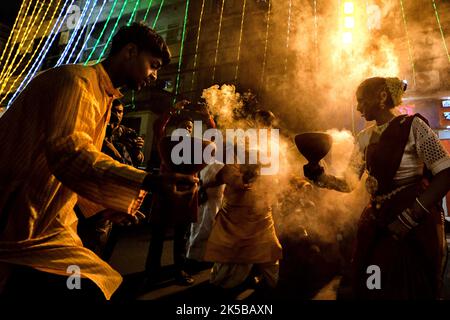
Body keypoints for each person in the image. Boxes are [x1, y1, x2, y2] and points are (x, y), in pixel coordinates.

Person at [0, 23, 198, 300]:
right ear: (130, 51)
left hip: (47, 223)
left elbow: (79, 164)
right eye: (152, 65)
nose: (154, 76)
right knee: (90, 285)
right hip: (16, 217)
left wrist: (107, 205)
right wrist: (150, 181)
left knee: (93, 282)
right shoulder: (77, 82)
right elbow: (70, 153)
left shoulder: (100, 94)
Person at [304, 77, 450, 299]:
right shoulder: (364, 138)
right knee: (374, 284)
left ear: (381, 97)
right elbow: (348, 183)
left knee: (410, 287)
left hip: (410, 225)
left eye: (362, 101)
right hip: (378, 223)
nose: (358, 107)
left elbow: (446, 173)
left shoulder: (413, 127)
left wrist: (409, 217)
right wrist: (318, 174)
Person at [76, 99, 145, 261]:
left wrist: (137, 151)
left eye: (120, 111)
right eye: (113, 111)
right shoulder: (95, 130)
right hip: (94, 199)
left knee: (106, 245)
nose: (117, 115)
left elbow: (134, 162)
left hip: (118, 199)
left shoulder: (125, 133)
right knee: (90, 245)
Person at [204, 152, 282, 291]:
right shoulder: (231, 167)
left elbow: (273, 189)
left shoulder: (267, 168)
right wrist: (249, 175)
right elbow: (232, 179)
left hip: (261, 219)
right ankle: (225, 284)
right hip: (235, 222)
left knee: (268, 253)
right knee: (233, 258)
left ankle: (265, 282)